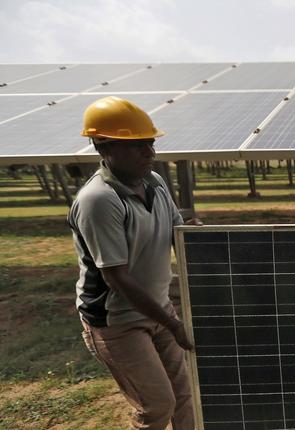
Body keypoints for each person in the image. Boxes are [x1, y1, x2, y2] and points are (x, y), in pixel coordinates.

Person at [68, 96, 194, 430]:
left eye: (149, 143)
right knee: (156, 406)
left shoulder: (154, 182)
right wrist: (173, 324)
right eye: (136, 146)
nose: (149, 153)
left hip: (159, 307)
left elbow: (177, 232)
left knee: (186, 398)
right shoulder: (99, 200)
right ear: (102, 147)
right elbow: (118, 279)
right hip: (117, 321)